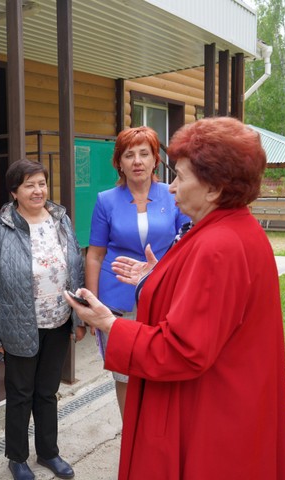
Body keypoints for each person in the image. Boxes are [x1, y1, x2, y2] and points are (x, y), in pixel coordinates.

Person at [66, 117, 285, 479]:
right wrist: (158, 277)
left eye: (181, 178)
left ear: (214, 189)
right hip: (230, 399)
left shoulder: (218, 246)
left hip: (211, 411)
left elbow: (181, 349)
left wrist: (109, 323)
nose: (171, 188)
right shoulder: (234, 228)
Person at [0, 159, 85, 480]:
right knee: (20, 394)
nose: (38, 191)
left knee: (47, 392)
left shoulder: (61, 220)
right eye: (29, 185)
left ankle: (49, 452)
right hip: (19, 325)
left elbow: (76, 269)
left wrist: (79, 317)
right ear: (14, 192)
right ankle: (18, 458)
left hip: (58, 321)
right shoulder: (1, 230)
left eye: (42, 183)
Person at [85, 126, 188, 416]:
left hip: (165, 294)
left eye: (145, 154)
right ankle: (129, 430)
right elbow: (95, 255)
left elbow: (187, 241)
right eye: (129, 155)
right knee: (125, 372)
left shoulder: (173, 194)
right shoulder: (106, 200)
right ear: (119, 162)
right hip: (117, 298)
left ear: (156, 160)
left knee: (161, 366)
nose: (137, 161)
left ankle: (156, 429)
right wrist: (92, 304)